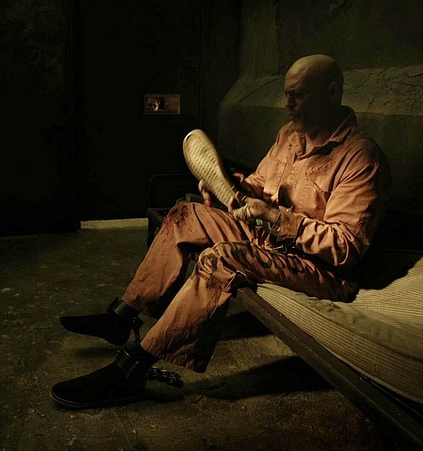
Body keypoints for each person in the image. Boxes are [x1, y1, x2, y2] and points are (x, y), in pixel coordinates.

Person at [51, 54, 391, 409]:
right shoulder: (289, 135)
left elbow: (344, 248)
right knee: (185, 214)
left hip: (317, 269)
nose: (287, 103)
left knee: (221, 259)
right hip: (266, 238)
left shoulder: (361, 158)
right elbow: (261, 184)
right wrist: (231, 187)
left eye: (298, 95)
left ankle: (131, 370)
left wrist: (275, 217)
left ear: (332, 94)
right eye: (286, 94)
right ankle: (121, 317)